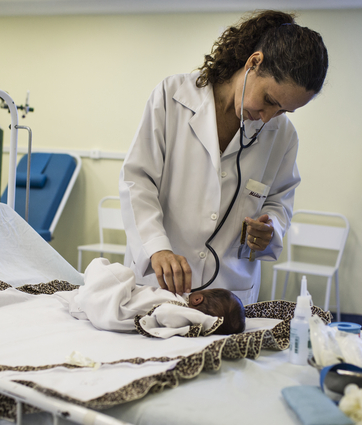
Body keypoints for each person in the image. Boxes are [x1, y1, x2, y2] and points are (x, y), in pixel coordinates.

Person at [119, 10, 328, 305]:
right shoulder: (172, 97)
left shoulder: (282, 135)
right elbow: (138, 181)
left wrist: (270, 230)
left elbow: (279, 202)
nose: (268, 117)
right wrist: (156, 247)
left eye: (283, 110)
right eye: (269, 100)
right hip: (159, 282)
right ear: (253, 63)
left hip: (230, 290)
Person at [55, 258, 245, 336]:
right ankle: (89, 296)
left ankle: (90, 294)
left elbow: (166, 314)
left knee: (118, 273)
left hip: (115, 309)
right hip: (110, 307)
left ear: (197, 299)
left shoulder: (178, 309)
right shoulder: (181, 310)